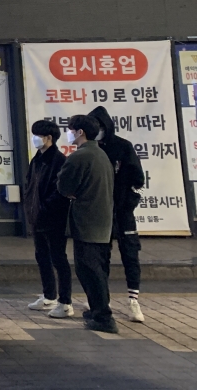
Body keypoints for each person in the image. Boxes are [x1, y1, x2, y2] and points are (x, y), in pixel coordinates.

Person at [57, 114, 117, 334]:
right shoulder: (101, 155)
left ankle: (103, 317)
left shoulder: (79, 157)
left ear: (79, 132)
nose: (69, 133)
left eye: (71, 129)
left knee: (89, 270)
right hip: (103, 222)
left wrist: (72, 195)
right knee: (98, 269)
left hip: (87, 223)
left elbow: (64, 187)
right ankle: (97, 309)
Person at [91, 105, 146, 323]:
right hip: (100, 211)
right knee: (100, 255)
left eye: (100, 126)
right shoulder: (92, 149)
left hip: (123, 211)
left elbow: (138, 179)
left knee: (130, 254)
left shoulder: (123, 147)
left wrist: (128, 202)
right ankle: (102, 299)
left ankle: (133, 300)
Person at [24, 120, 73, 318]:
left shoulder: (59, 160)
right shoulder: (36, 159)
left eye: (38, 135)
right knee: (41, 256)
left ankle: (65, 301)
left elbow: (60, 191)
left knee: (58, 258)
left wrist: (45, 208)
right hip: (37, 217)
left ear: (49, 138)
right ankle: (49, 294)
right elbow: (29, 184)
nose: (34, 138)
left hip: (53, 218)